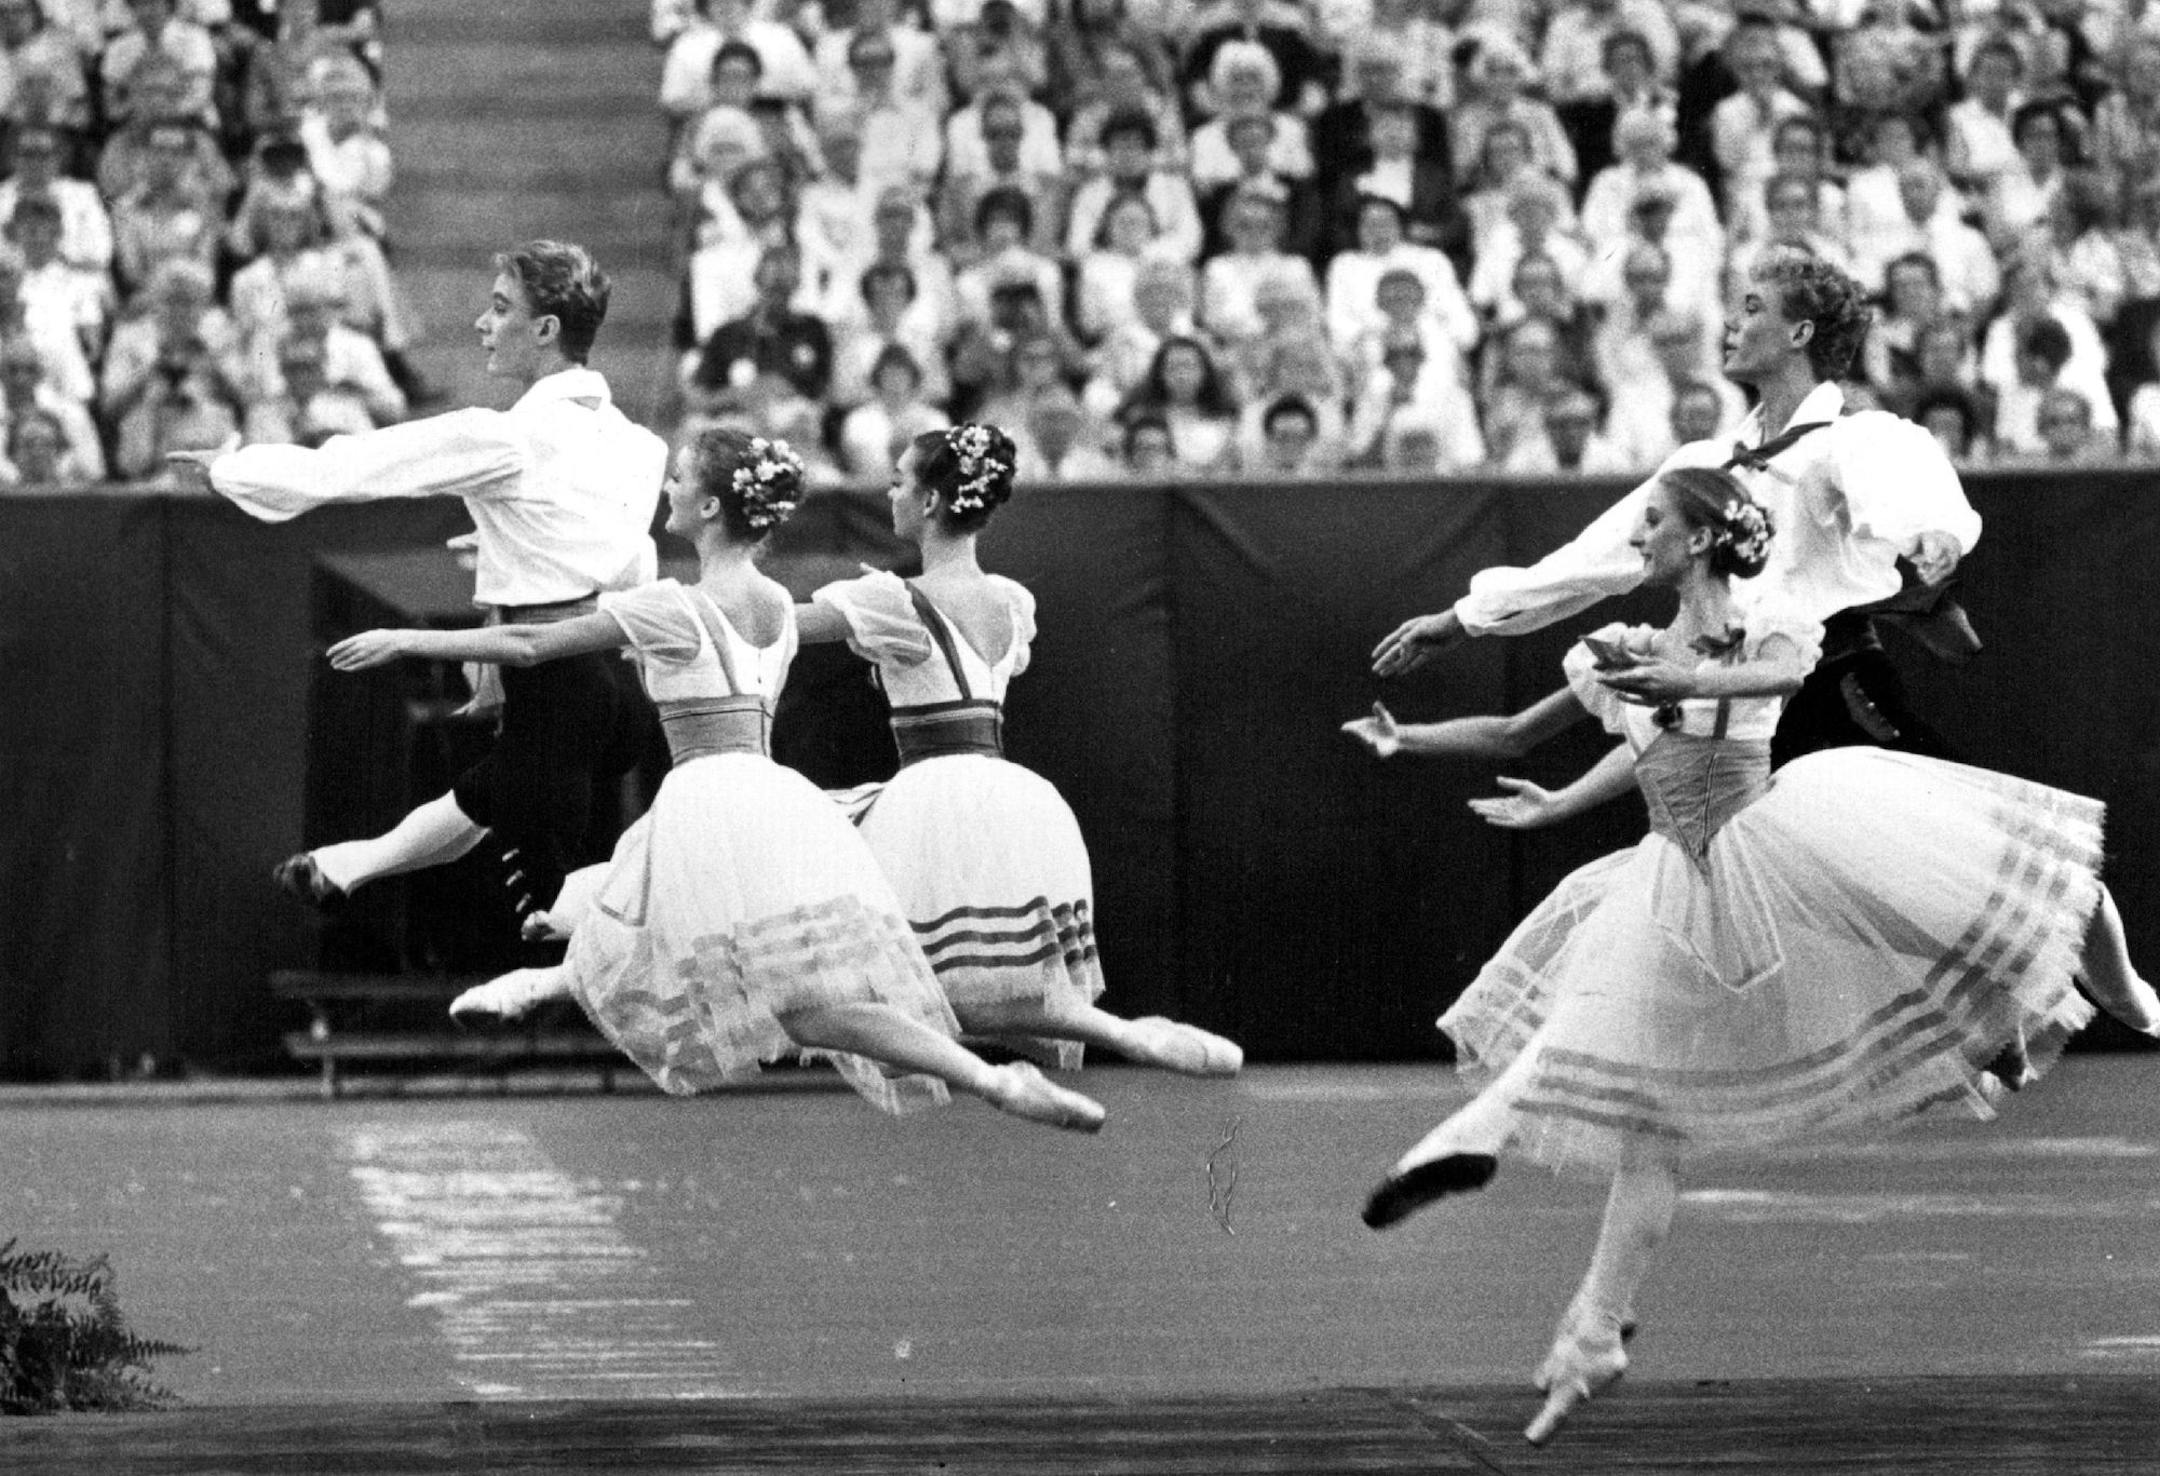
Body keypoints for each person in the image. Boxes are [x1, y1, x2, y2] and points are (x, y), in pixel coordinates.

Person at [1347, 466, 2159, 1446]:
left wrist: (1689, 680)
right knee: (1637, 1103)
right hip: (1668, 877)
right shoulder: (1631, 645)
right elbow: (1593, 736)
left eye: (1651, 522)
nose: (1636, 537)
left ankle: (2125, 1005)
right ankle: (1587, 1321)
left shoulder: (1764, 620)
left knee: (1995, 911)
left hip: (1765, 846)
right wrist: (1480, 769)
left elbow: (1774, 676)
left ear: (1696, 542)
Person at [327, 429, 1106, 1134]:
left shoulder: (676, 607)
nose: (664, 495)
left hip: (709, 800)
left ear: (705, 507)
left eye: (675, 486)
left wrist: (407, 636)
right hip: (773, 799)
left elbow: (536, 643)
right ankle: (991, 1075)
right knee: (811, 1007)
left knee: (687, 945)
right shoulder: (773, 603)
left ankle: (541, 977)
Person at [168, 241, 667, 924]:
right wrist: (502, 542)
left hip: (552, 691)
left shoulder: (509, 440)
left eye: (500, 309)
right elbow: (622, 556)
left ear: (546, 330)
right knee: (486, 805)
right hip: (612, 690)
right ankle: (348, 865)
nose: (481, 325)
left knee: (568, 920)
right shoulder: (640, 444)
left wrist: (232, 471)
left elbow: (362, 464)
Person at [1372, 251, 1981, 770]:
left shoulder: (1851, 437)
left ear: (1800, 334)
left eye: (1751, 309)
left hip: (1835, 698)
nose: (1732, 324)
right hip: (1739, 716)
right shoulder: (1707, 461)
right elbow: (1596, 556)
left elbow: (1901, 478)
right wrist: (1464, 618)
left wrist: (1933, 533)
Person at [800, 423, 1242, 1078]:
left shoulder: (894, 602)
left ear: (928, 502)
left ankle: (1040, 1066)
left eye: (898, 481)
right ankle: (1127, 1035)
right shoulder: (1010, 601)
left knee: (899, 990)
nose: (889, 493)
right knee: (986, 994)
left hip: (930, 797)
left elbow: (772, 629)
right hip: (1007, 796)